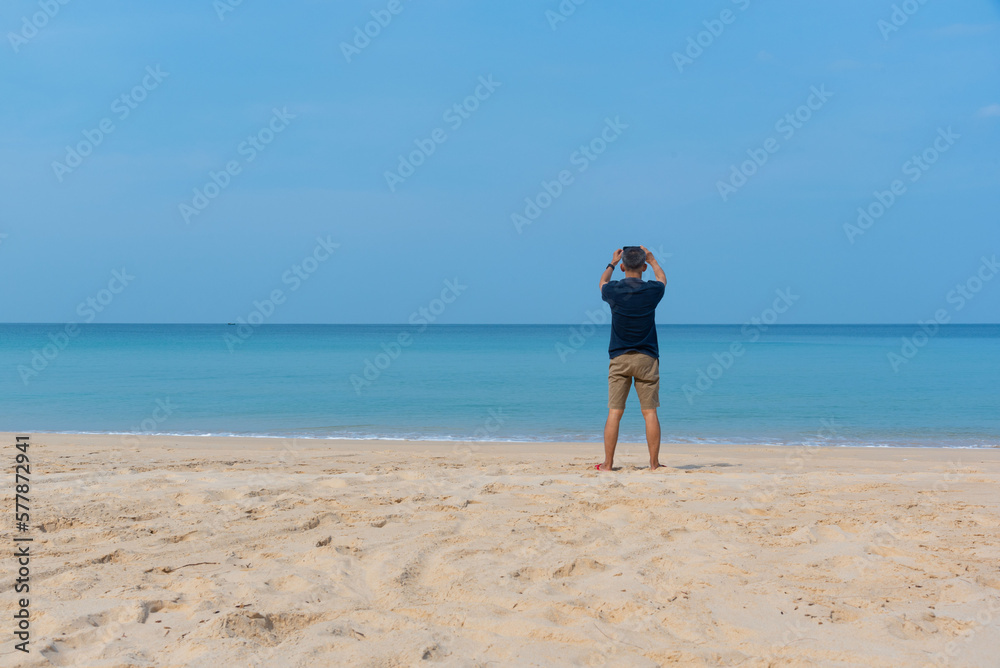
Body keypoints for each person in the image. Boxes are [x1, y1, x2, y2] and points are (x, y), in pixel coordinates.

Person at [596, 245, 667, 471]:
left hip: (620, 357)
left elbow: (602, 283)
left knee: (615, 412)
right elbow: (662, 279)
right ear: (644, 267)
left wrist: (612, 263)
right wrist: (654, 261)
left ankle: (608, 464)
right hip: (647, 357)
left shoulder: (614, 291)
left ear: (624, 266)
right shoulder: (652, 290)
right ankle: (654, 464)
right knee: (650, 413)